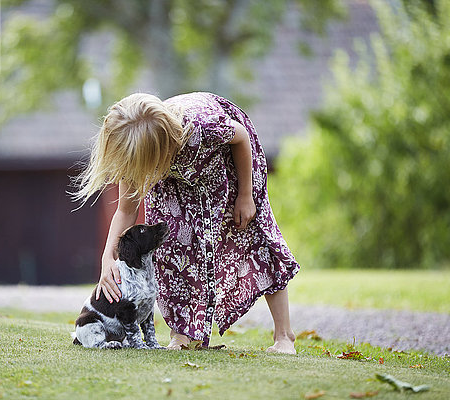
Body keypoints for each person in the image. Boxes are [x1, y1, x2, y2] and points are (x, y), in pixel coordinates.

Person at [74, 92, 300, 354]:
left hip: (228, 167)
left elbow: (240, 136)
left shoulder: (203, 127)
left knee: (254, 236)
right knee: (171, 247)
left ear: (157, 152)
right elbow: (126, 210)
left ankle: (284, 336)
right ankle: (183, 334)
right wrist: (107, 257)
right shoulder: (136, 148)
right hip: (173, 177)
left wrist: (245, 195)